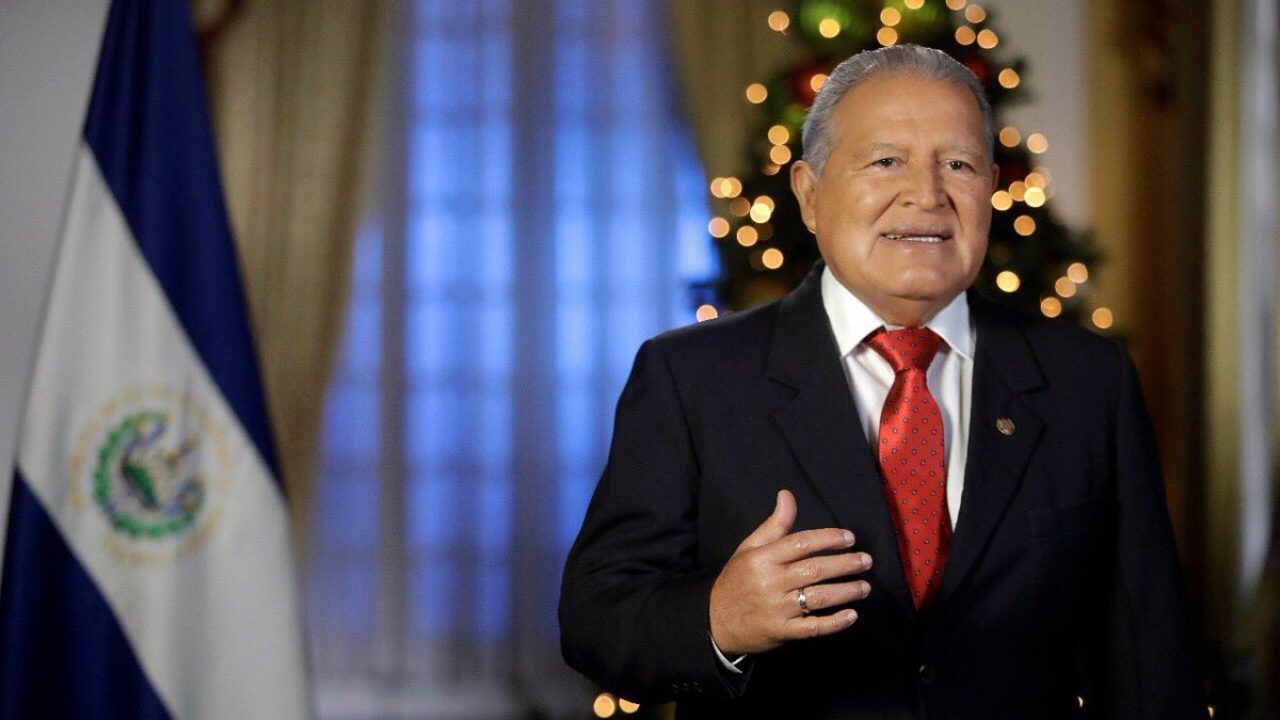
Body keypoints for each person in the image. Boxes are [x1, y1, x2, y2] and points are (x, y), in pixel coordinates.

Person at [559, 44, 1204, 719]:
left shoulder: (1088, 381)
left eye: (958, 164)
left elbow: (1148, 656)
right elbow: (596, 618)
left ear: (991, 188)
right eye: (886, 161)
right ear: (810, 195)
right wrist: (719, 619)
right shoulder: (692, 378)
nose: (927, 195)